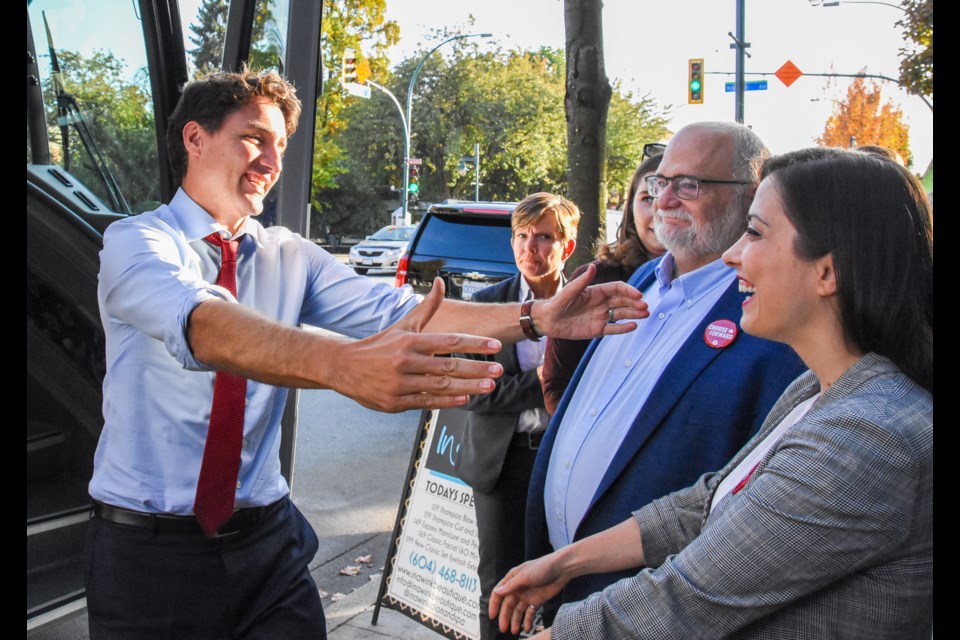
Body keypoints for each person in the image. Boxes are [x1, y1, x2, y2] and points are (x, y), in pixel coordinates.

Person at [86, 67, 648, 640]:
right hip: (149, 553)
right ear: (195, 138)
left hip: (268, 545)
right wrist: (341, 366)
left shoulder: (290, 256)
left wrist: (535, 319)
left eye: (280, 145)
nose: (272, 161)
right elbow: (203, 324)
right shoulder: (136, 242)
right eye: (254, 138)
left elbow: (398, 312)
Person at [490, 147, 933, 640]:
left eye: (756, 232)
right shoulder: (818, 389)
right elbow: (709, 501)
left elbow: (688, 599)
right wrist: (567, 563)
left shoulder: (870, 436)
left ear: (828, 271)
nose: (732, 254)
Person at [525, 122, 807, 608]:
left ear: (752, 195)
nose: (665, 200)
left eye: (689, 185)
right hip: (561, 583)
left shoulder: (772, 322)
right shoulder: (640, 282)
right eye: (659, 184)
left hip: (650, 606)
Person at [455, 193, 580, 640]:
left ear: (566, 246)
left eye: (544, 237)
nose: (531, 247)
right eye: (522, 236)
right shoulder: (487, 306)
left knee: (566, 583)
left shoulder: (585, 306)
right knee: (501, 588)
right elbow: (472, 391)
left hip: (568, 463)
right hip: (503, 466)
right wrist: (545, 379)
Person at [541, 152, 666, 414]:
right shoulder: (596, 279)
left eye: (673, 197)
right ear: (630, 206)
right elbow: (556, 386)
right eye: (647, 198)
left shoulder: (722, 286)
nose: (660, 209)